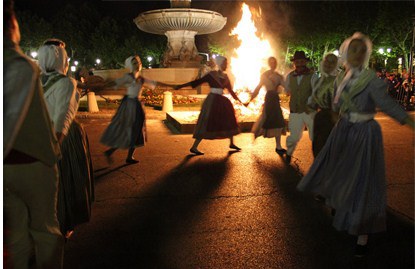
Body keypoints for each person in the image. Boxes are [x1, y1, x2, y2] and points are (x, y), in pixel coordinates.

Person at [297, 32, 415, 257]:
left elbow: (388, 105)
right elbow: (336, 104)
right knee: (340, 173)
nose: (358, 54)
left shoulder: (371, 79)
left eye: (362, 50)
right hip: (343, 131)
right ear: (346, 53)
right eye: (354, 49)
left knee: (363, 181)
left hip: (364, 134)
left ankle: (363, 235)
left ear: (367, 54)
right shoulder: (344, 77)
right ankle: (341, 206)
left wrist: (410, 122)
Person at [3, 0, 64, 268]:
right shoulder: (20, 65)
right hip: (33, 164)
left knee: (17, 234)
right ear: (11, 24)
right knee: (46, 231)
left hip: (8, 171)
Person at [38, 40, 94, 239]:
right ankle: (64, 224)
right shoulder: (66, 82)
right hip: (65, 139)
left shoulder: (36, 81)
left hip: (41, 136)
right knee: (68, 181)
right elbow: (63, 118)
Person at [100, 55, 170, 164]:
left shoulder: (141, 79)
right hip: (129, 106)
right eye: (134, 63)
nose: (137, 65)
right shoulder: (128, 77)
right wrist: (99, 86)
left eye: (138, 62)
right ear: (130, 65)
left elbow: (156, 83)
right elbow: (113, 83)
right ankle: (113, 152)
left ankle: (127, 156)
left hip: (137, 106)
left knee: (137, 129)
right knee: (128, 130)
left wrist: (173, 86)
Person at [174, 55, 245, 155]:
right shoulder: (212, 75)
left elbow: (231, 91)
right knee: (207, 122)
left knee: (229, 120)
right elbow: (197, 82)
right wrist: (181, 86)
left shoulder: (225, 76)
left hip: (222, 101)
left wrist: (240, 101)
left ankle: (232, 143)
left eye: (227, 63)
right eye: (225, 63)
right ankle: (194, 147)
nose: (226, 65)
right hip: (212, 101)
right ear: (220, 64)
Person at [246, 56, 287, 154]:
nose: (273, 64)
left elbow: (286, 86)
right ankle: (256, 134)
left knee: (278, 120)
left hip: (275, 99)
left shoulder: (278, 76)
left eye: (275, 62)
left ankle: (278, 146)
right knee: (265, 118)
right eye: (271, 62)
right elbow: (258, 88)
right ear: (269, 64)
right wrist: (250, 100)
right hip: (269, 99)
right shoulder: (264, 75)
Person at [284, 51, 318, 163]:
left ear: (305, 62)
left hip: (309, 111)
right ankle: (289, 154)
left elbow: (316, 92)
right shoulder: (290, 76)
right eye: (297, 62)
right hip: (295, 110)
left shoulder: (313, 76)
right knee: (293, 136)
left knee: (314, 135)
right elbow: (287, 91)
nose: (299, 64)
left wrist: (309, 101)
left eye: (302, 61)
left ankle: (318, 158)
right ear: (294, 63)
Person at [308, 53, 339, 158]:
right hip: (320, 118)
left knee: (327, 149)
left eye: (332, 62)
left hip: (331, 119)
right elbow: (313, 102)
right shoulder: (319, 80)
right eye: (327, 61)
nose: (329, 64)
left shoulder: (338, 80)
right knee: (317, 148)